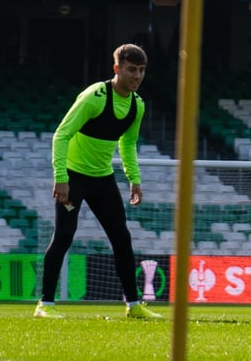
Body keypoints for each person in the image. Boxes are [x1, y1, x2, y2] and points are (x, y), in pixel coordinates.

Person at [35, 44, 161, 320]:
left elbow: (128, 143)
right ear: (117, 69)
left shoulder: (137, 105)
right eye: (131, 69)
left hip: (103, 178)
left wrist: (134, 178)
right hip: (74, 177)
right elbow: (61, 135)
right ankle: (45, 304)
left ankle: (134, 305)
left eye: (141, 70)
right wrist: (61, 177)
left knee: (121, 238)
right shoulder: (94, 96)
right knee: (64, 236)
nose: (137, 76)